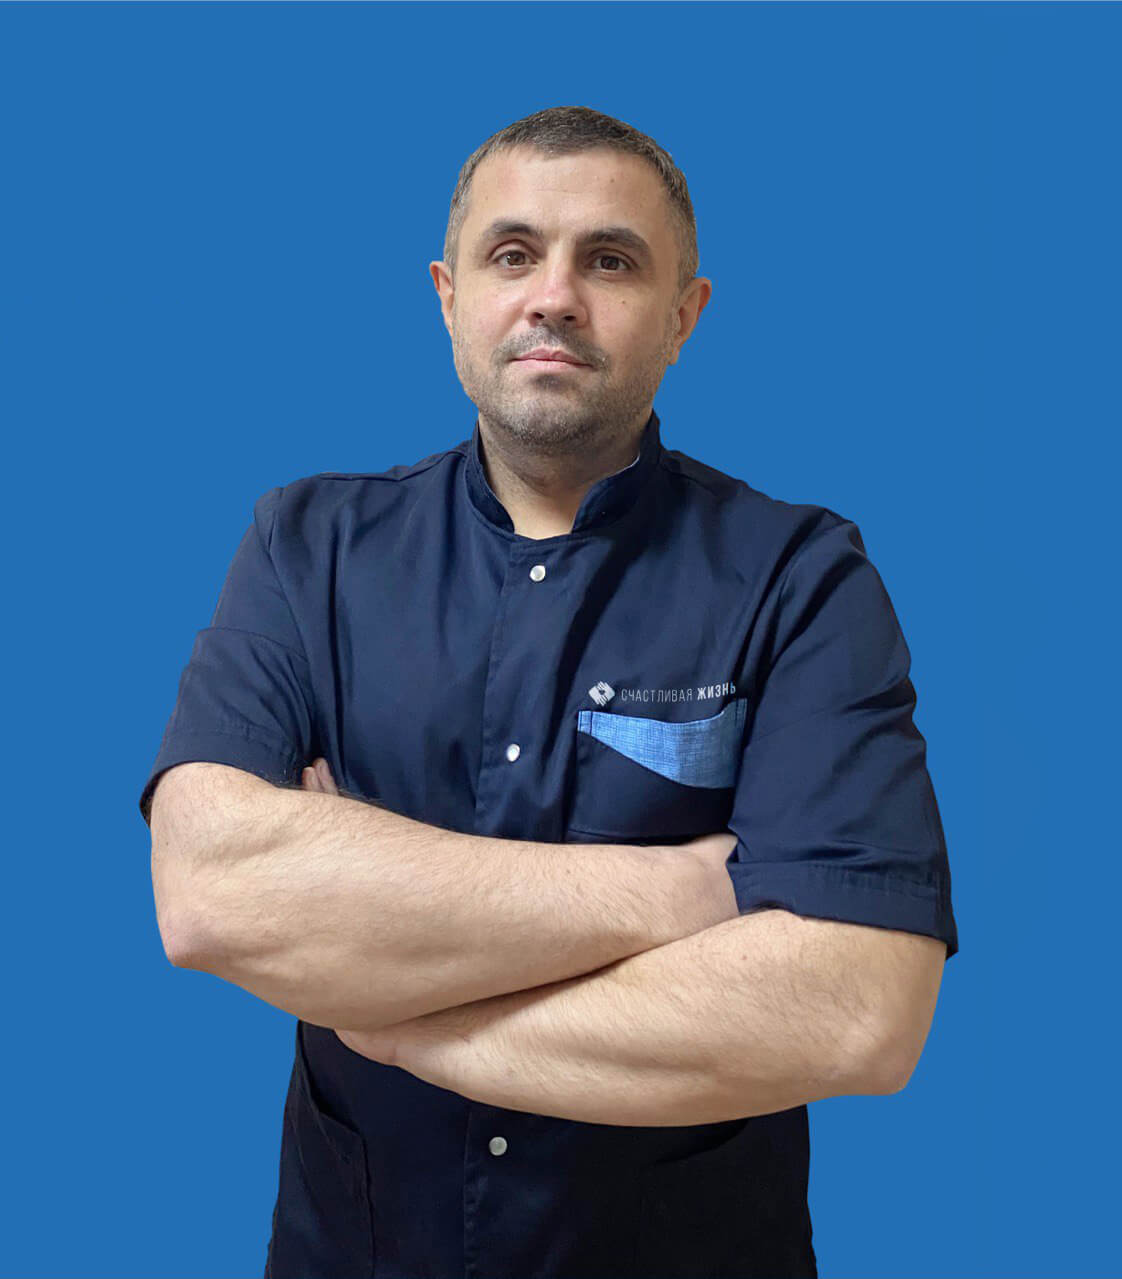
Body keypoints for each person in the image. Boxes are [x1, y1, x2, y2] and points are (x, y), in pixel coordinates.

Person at [140, 104, 958, 1279]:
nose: (555, 297)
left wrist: (391, 1016)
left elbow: (858, 1008)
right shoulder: (306, 547)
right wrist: (686, 890)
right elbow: (211, 895)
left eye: (610, 261)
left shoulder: (801, 578)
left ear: (684, 314)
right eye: (513, 253)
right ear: (449, 295)